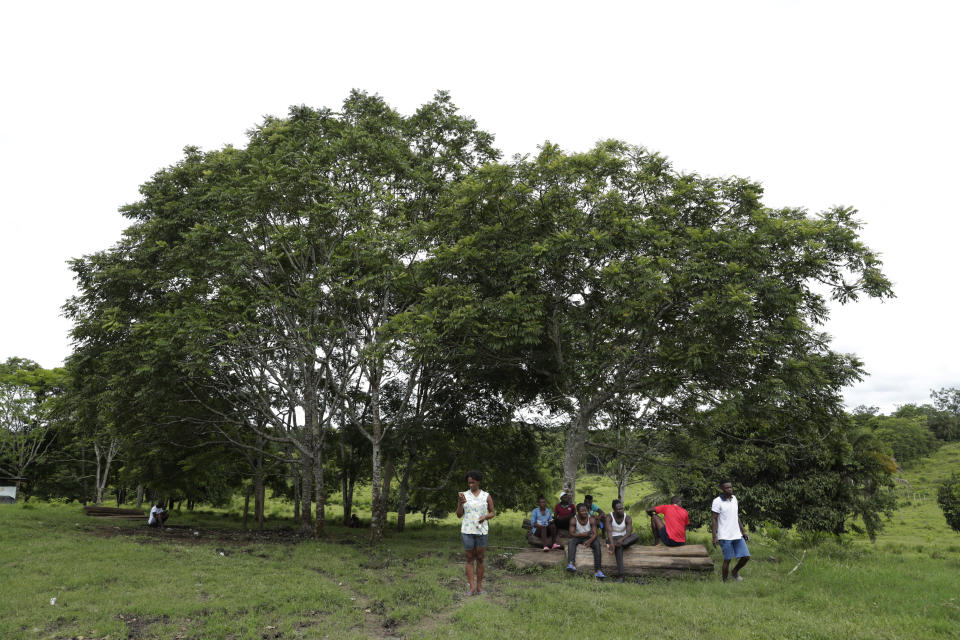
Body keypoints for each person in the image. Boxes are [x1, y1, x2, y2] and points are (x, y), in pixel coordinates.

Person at [456, 469, 495, 595]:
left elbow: (492, 512)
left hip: (482, 531)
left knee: (480, 558)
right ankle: (472, 588)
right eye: (469, 483)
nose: (470, 485)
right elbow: (458, 515)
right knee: (469, 558)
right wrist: (460, 503)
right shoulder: (464, 495)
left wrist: (485, 517)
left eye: (472, 482)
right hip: (467, 531)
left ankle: (479, 587)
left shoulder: (486, 496)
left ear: (478, 482)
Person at [711, 481, 750, 582]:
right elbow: (714, 519)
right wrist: (714, 536)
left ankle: (734, 572)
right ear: (722, 489)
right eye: (727, 488)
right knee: (727, 559)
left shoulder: (734, 499)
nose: (730, 489)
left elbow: (736, 516)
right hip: (725, 536)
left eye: (731, 487)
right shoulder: (717, 501)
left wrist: (743, 531)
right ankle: (725, 581)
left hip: (737, 534)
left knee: (746, 556)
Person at [566, 503, 605, 579]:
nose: (584, 512)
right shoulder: (574, 519)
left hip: (589, 537)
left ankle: (598, 570)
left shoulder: (591, 519)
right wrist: (582, 535)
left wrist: (589, 541)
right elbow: (571, 534)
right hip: (578, 536)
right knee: (571, 541)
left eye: (585, 511)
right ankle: (571, 564)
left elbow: (595, 534)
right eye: (582, 511)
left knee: (597, 544)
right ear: (577, 511)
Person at [605, 499, 639, 582]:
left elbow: (629, 532)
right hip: (613, 538)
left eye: (622, 508)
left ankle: (619, 545)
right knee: (618, 548)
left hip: (624, 538)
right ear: (614, 509)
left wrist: (621, 540)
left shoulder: (627, 518)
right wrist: (612, 544)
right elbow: (609, 532)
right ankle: (621, 575)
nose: (621, 510)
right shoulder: (609, 517)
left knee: (636, 536)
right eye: (618, 509)